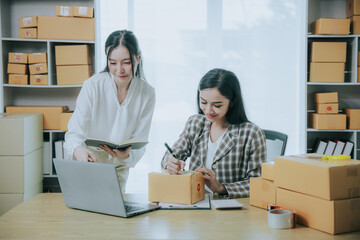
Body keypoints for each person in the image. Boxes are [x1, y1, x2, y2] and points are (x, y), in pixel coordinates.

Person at [64, 30, 155, 192]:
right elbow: (74, 133)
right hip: (89, 164)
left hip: (118, 169)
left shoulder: (147, 93)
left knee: (114, 215)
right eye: (113, 63)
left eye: (126, 63)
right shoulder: (93, 86)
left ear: (138, 59)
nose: (119, 69)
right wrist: (78, 150)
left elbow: (140, 142)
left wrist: (125, 156)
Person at [161, 68, 266, 198]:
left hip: (230, 209)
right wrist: (170, 162)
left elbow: (258, 184)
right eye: (203, 102)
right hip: (195, 201)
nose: (208, 110)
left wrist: (220, 188)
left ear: (232, 101)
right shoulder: (195, 123)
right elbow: (170, 156)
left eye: (217, 105)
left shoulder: (252, 134)